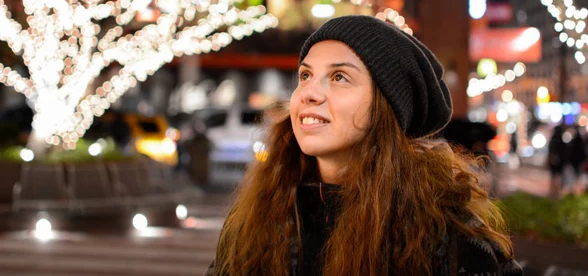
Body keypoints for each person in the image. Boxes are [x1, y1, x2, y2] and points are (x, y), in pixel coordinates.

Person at [205, 15, 522, 276]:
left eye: (339, 77)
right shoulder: (256, 218)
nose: (309, 93)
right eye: (305, 75)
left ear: (385, 107)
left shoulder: (447, 234)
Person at [547, 125, 566, 199]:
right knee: (558, 176)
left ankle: (553, 191)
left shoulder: (553, 139)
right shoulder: (561, 140)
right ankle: (556, 191)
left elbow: (550, 151)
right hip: (559, 162)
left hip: (555, 162)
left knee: (554, 176)